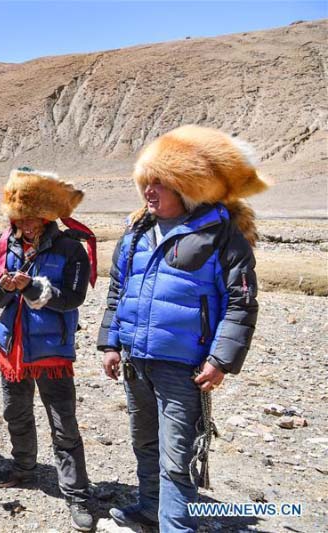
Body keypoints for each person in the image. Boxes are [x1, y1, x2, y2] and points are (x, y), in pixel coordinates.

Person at [97, 125, 265, 532]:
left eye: (160, 184)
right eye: (146, 183)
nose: (149, 192)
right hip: (137, 358)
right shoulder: (137, 230)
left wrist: (221, 359)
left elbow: (241, 301)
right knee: (145, 442)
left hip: (183, 365)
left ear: (187, 188)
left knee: (177, 453)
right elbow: (119, 288)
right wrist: (111, 342)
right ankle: (151, 508)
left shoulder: (221, 235)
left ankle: (176, 525)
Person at [0, 167, 97, 532]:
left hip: (51, 350)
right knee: (15, 413)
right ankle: (24, 468)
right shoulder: (7, 243)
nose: (28, 223)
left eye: (34, 217)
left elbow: (73, 298)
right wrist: (5, 285)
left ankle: (77, 494)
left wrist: (33, 287)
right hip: (13, 346)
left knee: (63, 424)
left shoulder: (70, 249)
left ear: (47, 216)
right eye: (22, 217)